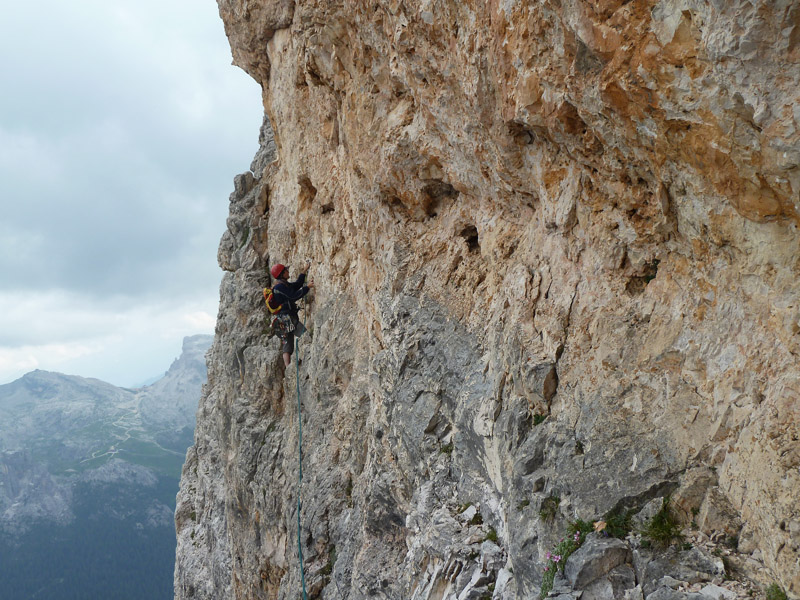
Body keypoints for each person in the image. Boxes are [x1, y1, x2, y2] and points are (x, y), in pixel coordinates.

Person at [269, 262, 313, 367]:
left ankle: (288, 367)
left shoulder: (283, 285)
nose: (288, 271)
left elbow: (297, 285)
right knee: (304, 334)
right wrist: (307, 287)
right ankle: (292, 365)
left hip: (282, 319)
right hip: (287, 318)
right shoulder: (279, 287)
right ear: (282, 274)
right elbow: (293, 296)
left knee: (287, 342)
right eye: (286, 270)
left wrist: (304, 271)